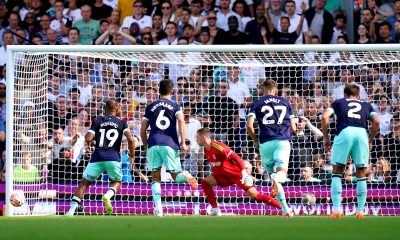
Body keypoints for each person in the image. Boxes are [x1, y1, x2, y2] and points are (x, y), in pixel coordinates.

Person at [65, 99, 137, 216]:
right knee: (117, 181)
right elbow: (131, 139)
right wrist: (132, 155)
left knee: (84, 183)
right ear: (117, 110)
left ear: (105, 109)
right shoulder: (122, 123)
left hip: (97, 156)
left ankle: (71, 211)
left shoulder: (97, 121)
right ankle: (107, 195)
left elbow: (88, 138)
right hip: (113, 157)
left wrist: (93, 142)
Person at [140, 79, 198, 217]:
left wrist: (146, 144)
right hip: (170, 143)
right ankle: (185, 174)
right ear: (172, 91)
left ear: (158, 90)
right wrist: (183, 142)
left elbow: (142, 130)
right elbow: (181, 121)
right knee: (175, 175)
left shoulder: (150, 107)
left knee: (155, 177)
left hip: (154, 142)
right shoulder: (176, 106)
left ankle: (158, 209)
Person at [321, 84, 380, 219]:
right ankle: (360, 211)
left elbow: (324, 117)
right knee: (361, 172)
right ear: (358, 95)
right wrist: (370, 139)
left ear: (344, 94)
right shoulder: (366, 104)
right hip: (361, 134)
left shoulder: (338, 102)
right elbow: (376, 121)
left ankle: (336, 210)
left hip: (344, 132)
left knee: (337, 171)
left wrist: (326, 137)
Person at [196, 128, 281, 216]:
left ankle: (283, 208)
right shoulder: (206, 150)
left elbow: (235, 156)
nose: (196, 140)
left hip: (236, 175)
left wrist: (243, 172)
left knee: (255, 196)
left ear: (204, 136)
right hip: (222, 176)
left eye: (198, 137)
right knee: (205, 182)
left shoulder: (218, 146)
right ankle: (215, 210)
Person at [246, 79, 297, 218]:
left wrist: (255, 141)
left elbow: (249, 126)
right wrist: (295, 131)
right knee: (281, 174)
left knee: (273, 176)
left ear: (263, 89)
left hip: (265, 143)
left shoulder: (257, 103)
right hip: (282, 141)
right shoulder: (285, 102)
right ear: (276, 89)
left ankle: (286, 210)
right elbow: (293, 127)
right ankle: (276, 179)